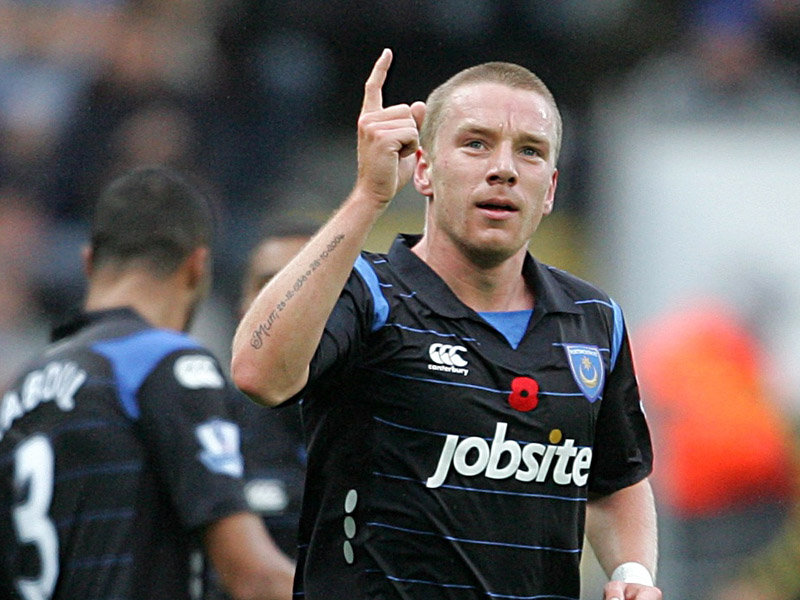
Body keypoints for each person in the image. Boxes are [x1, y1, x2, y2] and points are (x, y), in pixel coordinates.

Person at [231, 49, 661, 600]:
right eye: (476, 143)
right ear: (425, 170)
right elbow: (258, 373)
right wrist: (367, 196)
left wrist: (632, 574)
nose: (503, 168)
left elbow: (616, 478)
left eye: (529, 152)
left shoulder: (594, 320)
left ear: (549, 189)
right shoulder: (370, 295)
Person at [0, 166, 294, 600]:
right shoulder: (163, 362)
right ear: (196, 266)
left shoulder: (20, 389)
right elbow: (253, 576)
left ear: (88, 262)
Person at [236, 218, 318, 557]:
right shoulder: (209, 429)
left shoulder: (393, 422)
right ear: (243, 306)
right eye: (268, 284)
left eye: (303, 282)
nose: (282, 302)